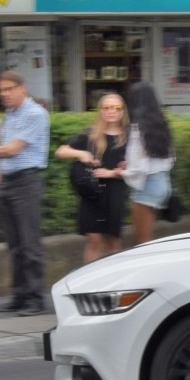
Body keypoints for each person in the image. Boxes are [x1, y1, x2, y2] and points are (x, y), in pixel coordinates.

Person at [0, 71, 50, 316]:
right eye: (1, 91)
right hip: (8, 182)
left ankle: (36, 299)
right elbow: (4, 151)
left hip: (26, 182)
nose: (4, 94)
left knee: (29, 243)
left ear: (22, 88)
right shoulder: (10, 114)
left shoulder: (35, 113)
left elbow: (12, 149)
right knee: (14, 245)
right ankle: (20, 295)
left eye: (8, 89)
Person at [55, 93, 129, 263]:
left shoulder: (129, 136)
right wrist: (81, 153)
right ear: (100, 111)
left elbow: (139, 167)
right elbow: (61, 151)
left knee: (113, 242)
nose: (111, 111)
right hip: (92, 192)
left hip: (115, 192)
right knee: (93, 240)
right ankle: (88, 285)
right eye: (106, 107)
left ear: (123, 111)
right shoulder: (90, 134)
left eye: (116, 108)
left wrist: (117, 171)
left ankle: (113, 285)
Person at [123, 82, 176, 245]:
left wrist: (121, 172)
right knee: (146, 240)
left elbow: (139, 167)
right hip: (163, 183)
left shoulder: (137, 129)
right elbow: (172, 157)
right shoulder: (161, 126)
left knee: (142, 243)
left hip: (146, 186)